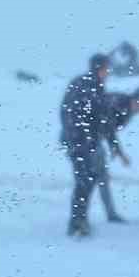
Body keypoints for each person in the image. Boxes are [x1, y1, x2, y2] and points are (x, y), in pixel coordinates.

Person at [58, 53, 112, 238]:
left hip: (80, 140)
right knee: (84, 181)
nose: (108, 72)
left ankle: (79, 220)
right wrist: (82, 139)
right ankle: (77, 223)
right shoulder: (89, 85)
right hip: (79, 141)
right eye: (107, 68)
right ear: (101, 68)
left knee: (87, 180)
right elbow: (76, 114)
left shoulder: (87, 83)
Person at [90, 87, 139, 224]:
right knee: (95, 177)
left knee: (97, 177)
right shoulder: (118, 103)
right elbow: (107, 127)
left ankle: (102, 214)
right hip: (82, 139)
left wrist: (117, 151)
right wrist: (119, 152)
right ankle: (90, 217)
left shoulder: (126, 108)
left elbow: (109, 129)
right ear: (137, 99)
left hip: (91, 140)